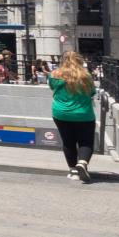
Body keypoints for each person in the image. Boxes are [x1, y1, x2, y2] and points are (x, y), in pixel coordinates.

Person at [48, 51, 97, 183]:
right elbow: (92, 93)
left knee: (68, 142)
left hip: (60, 113)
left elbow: (52, 89)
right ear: (80, 61)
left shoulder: (53, 75)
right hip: (83, 114)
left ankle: (73, 171)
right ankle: (82, 163)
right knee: (85, 142)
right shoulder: (86, 76)